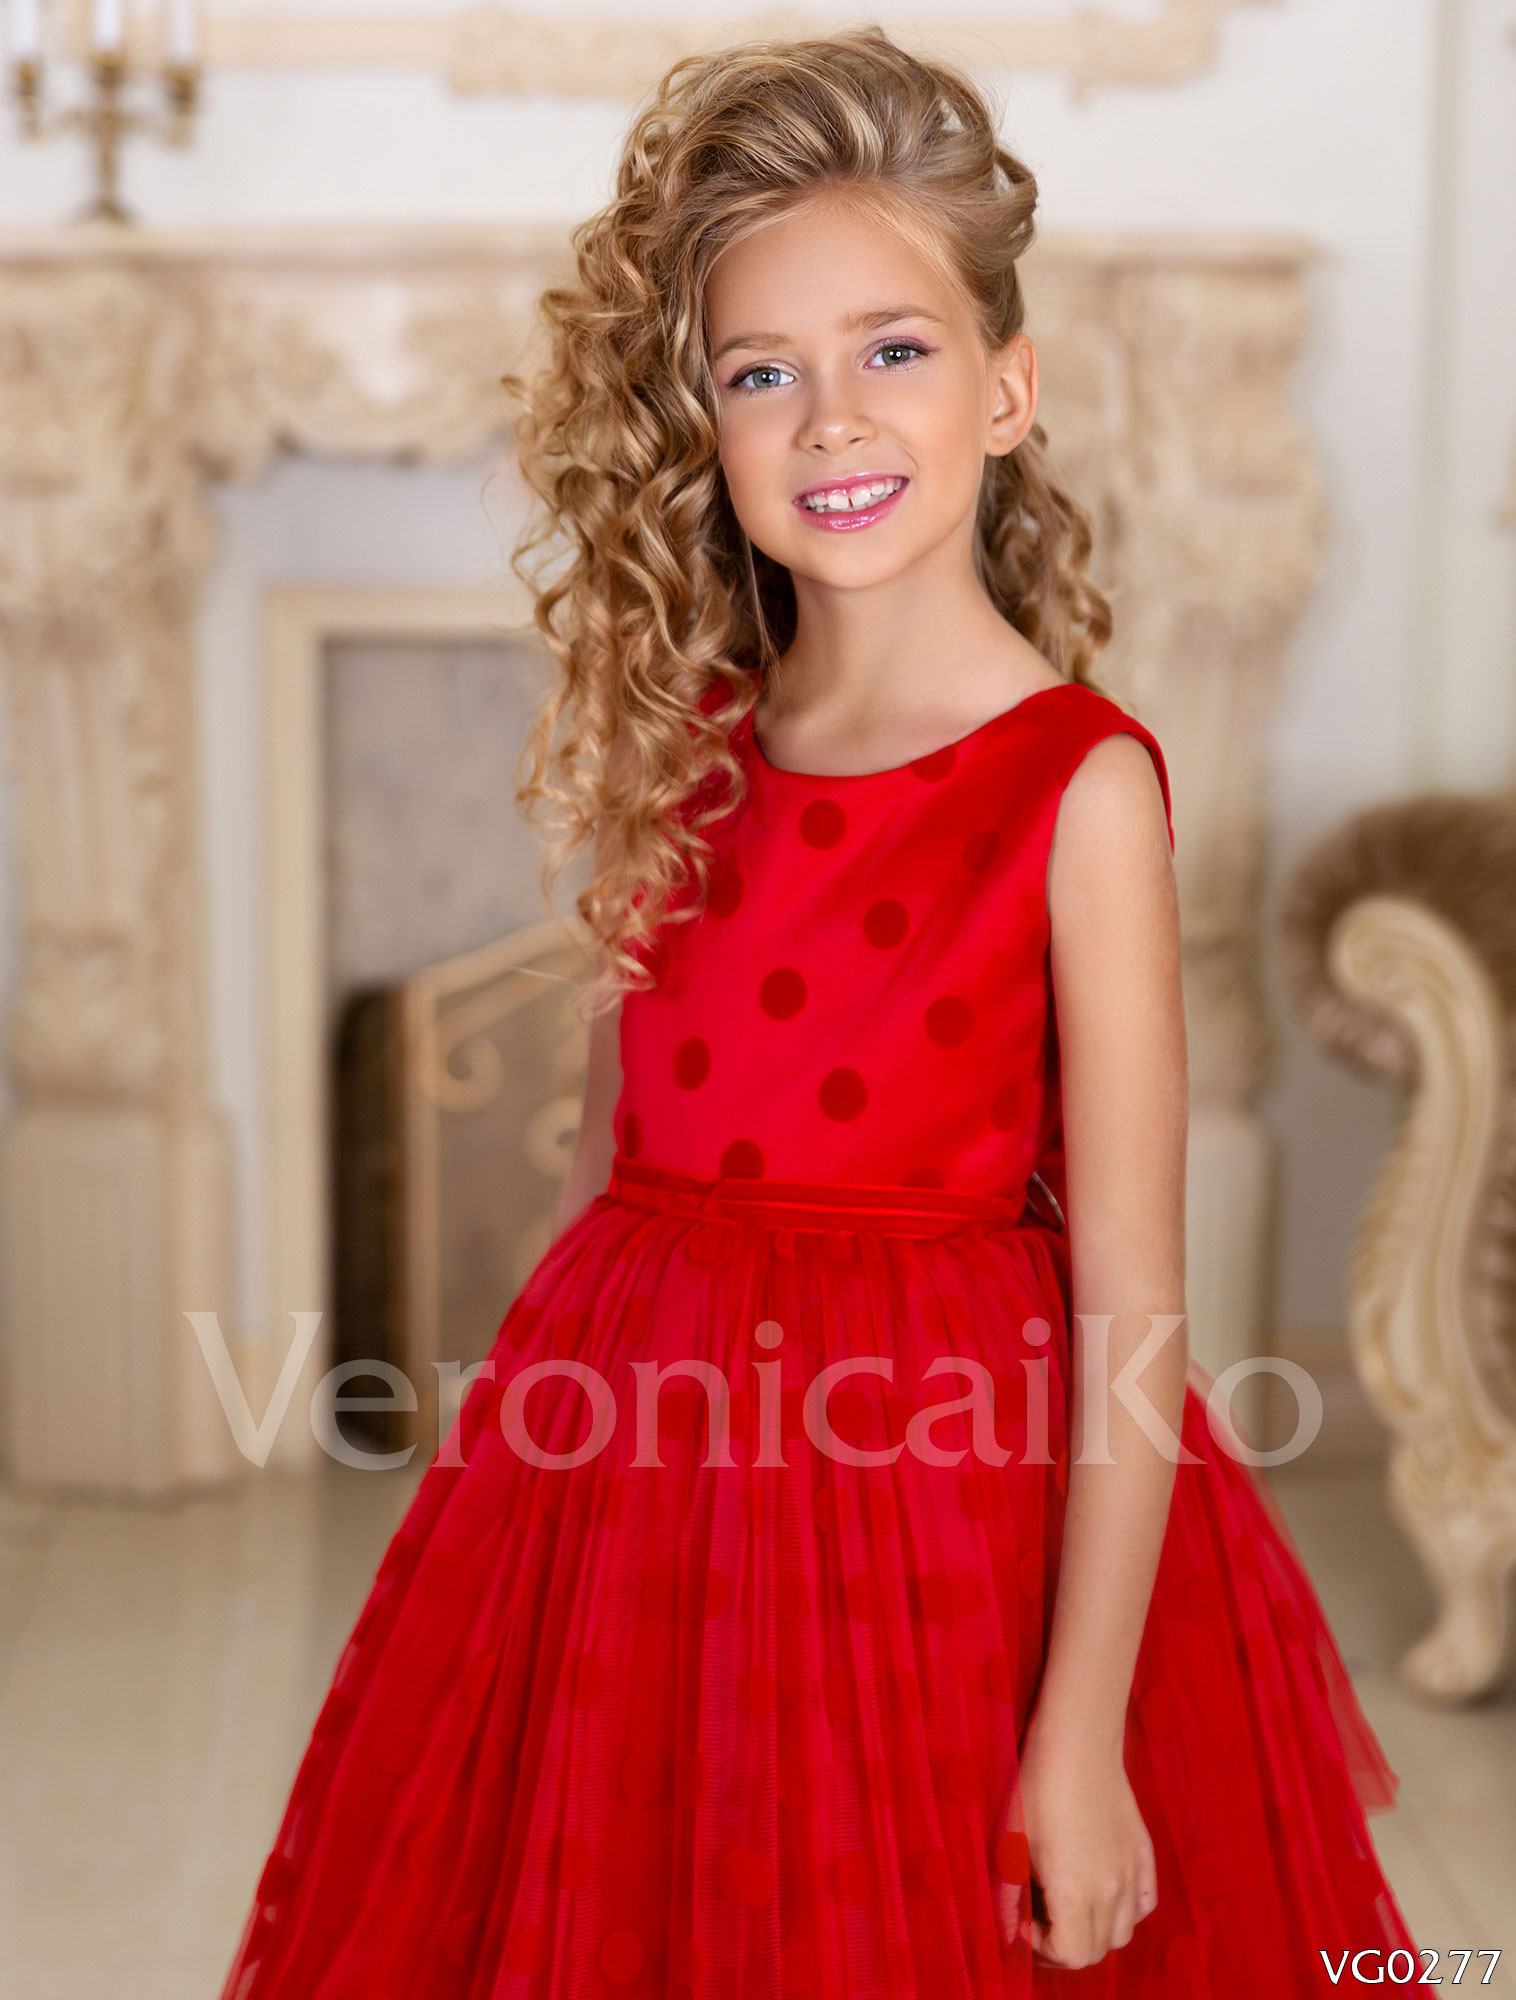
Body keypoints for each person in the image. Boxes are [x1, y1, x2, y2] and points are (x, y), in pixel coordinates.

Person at [220, 28, 1417, 1998]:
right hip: (629, 1496)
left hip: (937, 1523)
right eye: (760, 372)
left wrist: (1078, 1738)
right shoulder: (689, 739)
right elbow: (619, 1177)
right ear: (705, 425)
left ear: (1005, 388)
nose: (830, 417)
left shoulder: (1074, 786)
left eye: (893, 349)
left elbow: (1135, 1305)